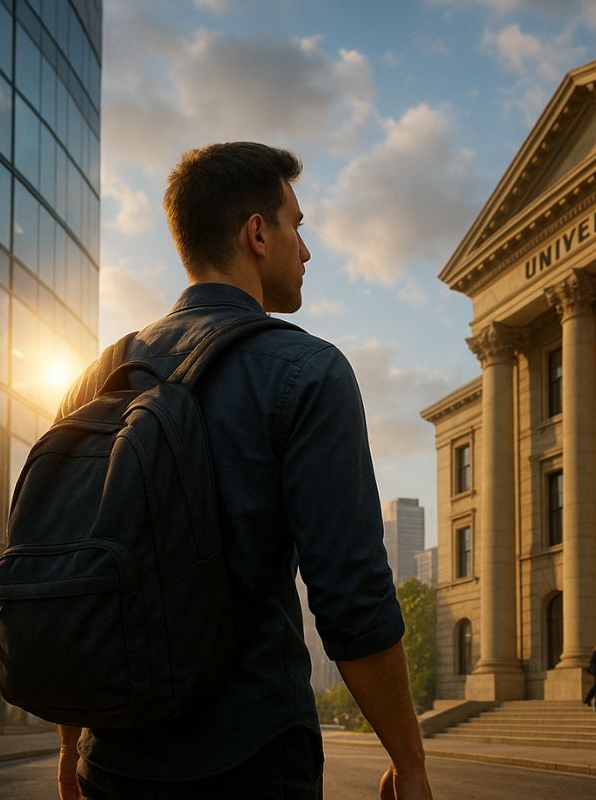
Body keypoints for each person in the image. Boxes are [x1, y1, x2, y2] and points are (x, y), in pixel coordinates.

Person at [53, 143, 432, 800]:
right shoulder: (309, 371)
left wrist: (70, 744)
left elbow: (70, 576)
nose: (306, 251)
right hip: (252, 756)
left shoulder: (97, 376)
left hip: (114, 758)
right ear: (258, 232)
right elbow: (352, 596)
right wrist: (410, 760)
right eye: (298, 225)